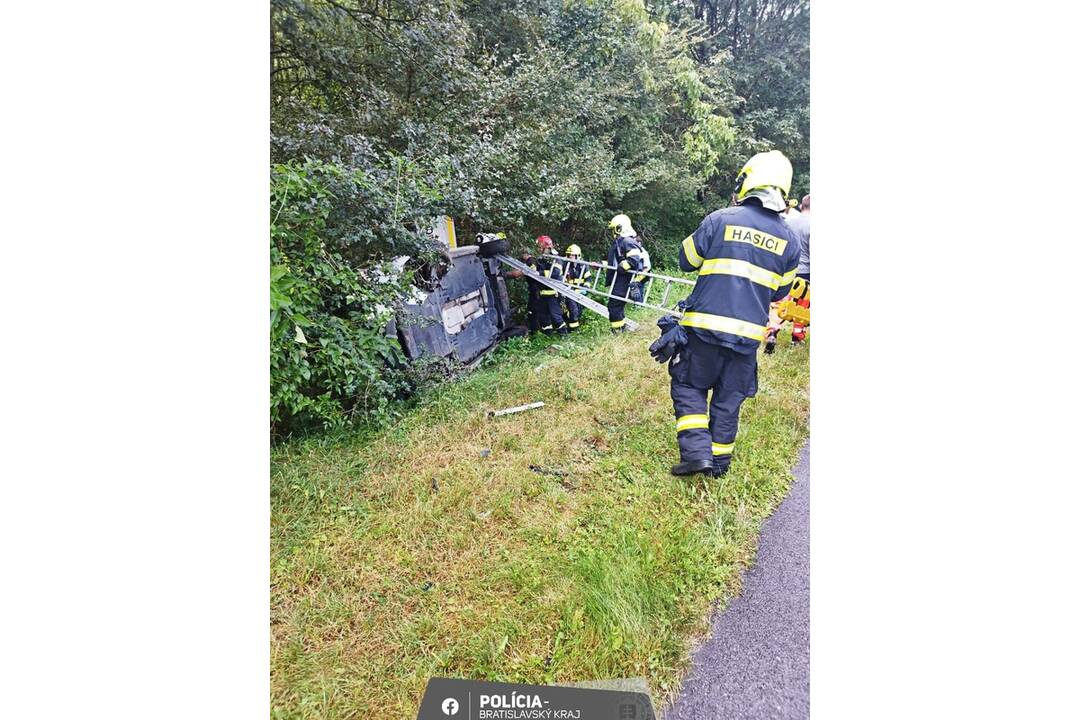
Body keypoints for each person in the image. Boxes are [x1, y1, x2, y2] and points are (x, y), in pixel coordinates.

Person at [667, 150, 801, 477]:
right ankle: (720, 464)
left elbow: (686, 259)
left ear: (747, 181)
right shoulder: (790, 240)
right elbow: (781, 293)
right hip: (747, 339)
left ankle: (698, 453)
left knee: (688, 385)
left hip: (702, 331)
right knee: (730, 397)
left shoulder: (720, 219)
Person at [764, 192, 811, 351]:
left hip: (786, 270)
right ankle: (797, 339)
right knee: (801, 306)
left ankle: (772, 331)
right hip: (806, 272)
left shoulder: (788, 223)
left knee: (780, 303)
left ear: (801, 206)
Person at [605, 214, 646, 333]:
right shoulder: (619, 242)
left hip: (623, 280)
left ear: (619, 228)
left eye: (614, 228)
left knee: (614, 306)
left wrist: (623, 267)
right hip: (619, 279)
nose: (612, 232)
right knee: (616, 305)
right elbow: (615, 262)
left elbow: (634, 258)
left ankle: (617, 331)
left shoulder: (626, 241)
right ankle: (621, 329)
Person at [531, 235, 569, 335]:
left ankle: (564, 334)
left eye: (540, 247)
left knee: (555, 315)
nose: (539, 249)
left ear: (546, 247)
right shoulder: (541, 259)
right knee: (543, 316)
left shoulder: (556, 258)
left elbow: (555, 273)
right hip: (543, 293)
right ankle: (548, 335)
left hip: (554, 293)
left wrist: (540, 273)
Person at [561, 244, 591, 330]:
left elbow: (588, 279)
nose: (571, 257)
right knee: (574, 311)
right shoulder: (565, 265)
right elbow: (562, 279)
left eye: (573, 255)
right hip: (570, 292)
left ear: (578, 255)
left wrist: (585, 289)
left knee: (579, 311)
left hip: (581, 292)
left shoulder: (583, 266)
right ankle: (573, 330)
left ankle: (568, 322)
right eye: (569, 255)